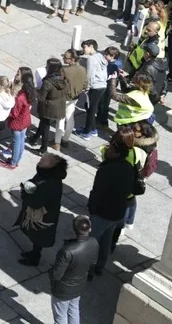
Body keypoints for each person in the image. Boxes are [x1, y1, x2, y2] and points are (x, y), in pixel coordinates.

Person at [87, 128, 138, 279]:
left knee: (91, 242)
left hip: (102, 212)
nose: (107, 149)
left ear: (116, 152)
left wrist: (92, 208)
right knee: (106, 241)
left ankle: (88, 270)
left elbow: (98, 191)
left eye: (111, 148)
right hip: (118, 211)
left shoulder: (107, 169)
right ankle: (100, 267)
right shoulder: (128, 167)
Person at [17, 153, 68, 266]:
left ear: (50, 166)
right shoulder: (47, 174)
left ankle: (34, 258)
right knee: (36, 237)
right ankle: (34, 253)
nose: (39, 162)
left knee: (38, 237)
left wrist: (25, 194)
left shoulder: (49, 183)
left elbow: (36, 203)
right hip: (43, 215)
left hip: (43, 218)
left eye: (42, 161)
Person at [48, 215, 98, 324]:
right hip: (79, 286)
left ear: (73, 231)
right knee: (73, 310)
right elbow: (93, 262)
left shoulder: (67, 251)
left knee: (60, 317)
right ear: (90, 229)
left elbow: (56, 275)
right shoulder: (94, 242)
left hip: (63, 290)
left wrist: (50, 271)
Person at [33, 58, 67, 153]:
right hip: (59, 106)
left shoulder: (47, 82)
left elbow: (41, 98)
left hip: (47, 108)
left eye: (47, 66)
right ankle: (35, 138)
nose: (45, 67)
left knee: (45, 127)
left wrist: (35, 90)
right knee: (43, 124)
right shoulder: (62, 77)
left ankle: (43, 149)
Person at [59, 49, 87, 148]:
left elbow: (59, 84)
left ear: (72, 59)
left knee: (61, 119)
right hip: (75, 98)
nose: (63, 58)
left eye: (65, 58)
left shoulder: (64, 70)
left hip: (64, 97)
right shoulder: (83, 69)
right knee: (70, 118)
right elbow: (85, 84)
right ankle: (65, 140)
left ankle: (57, 141)